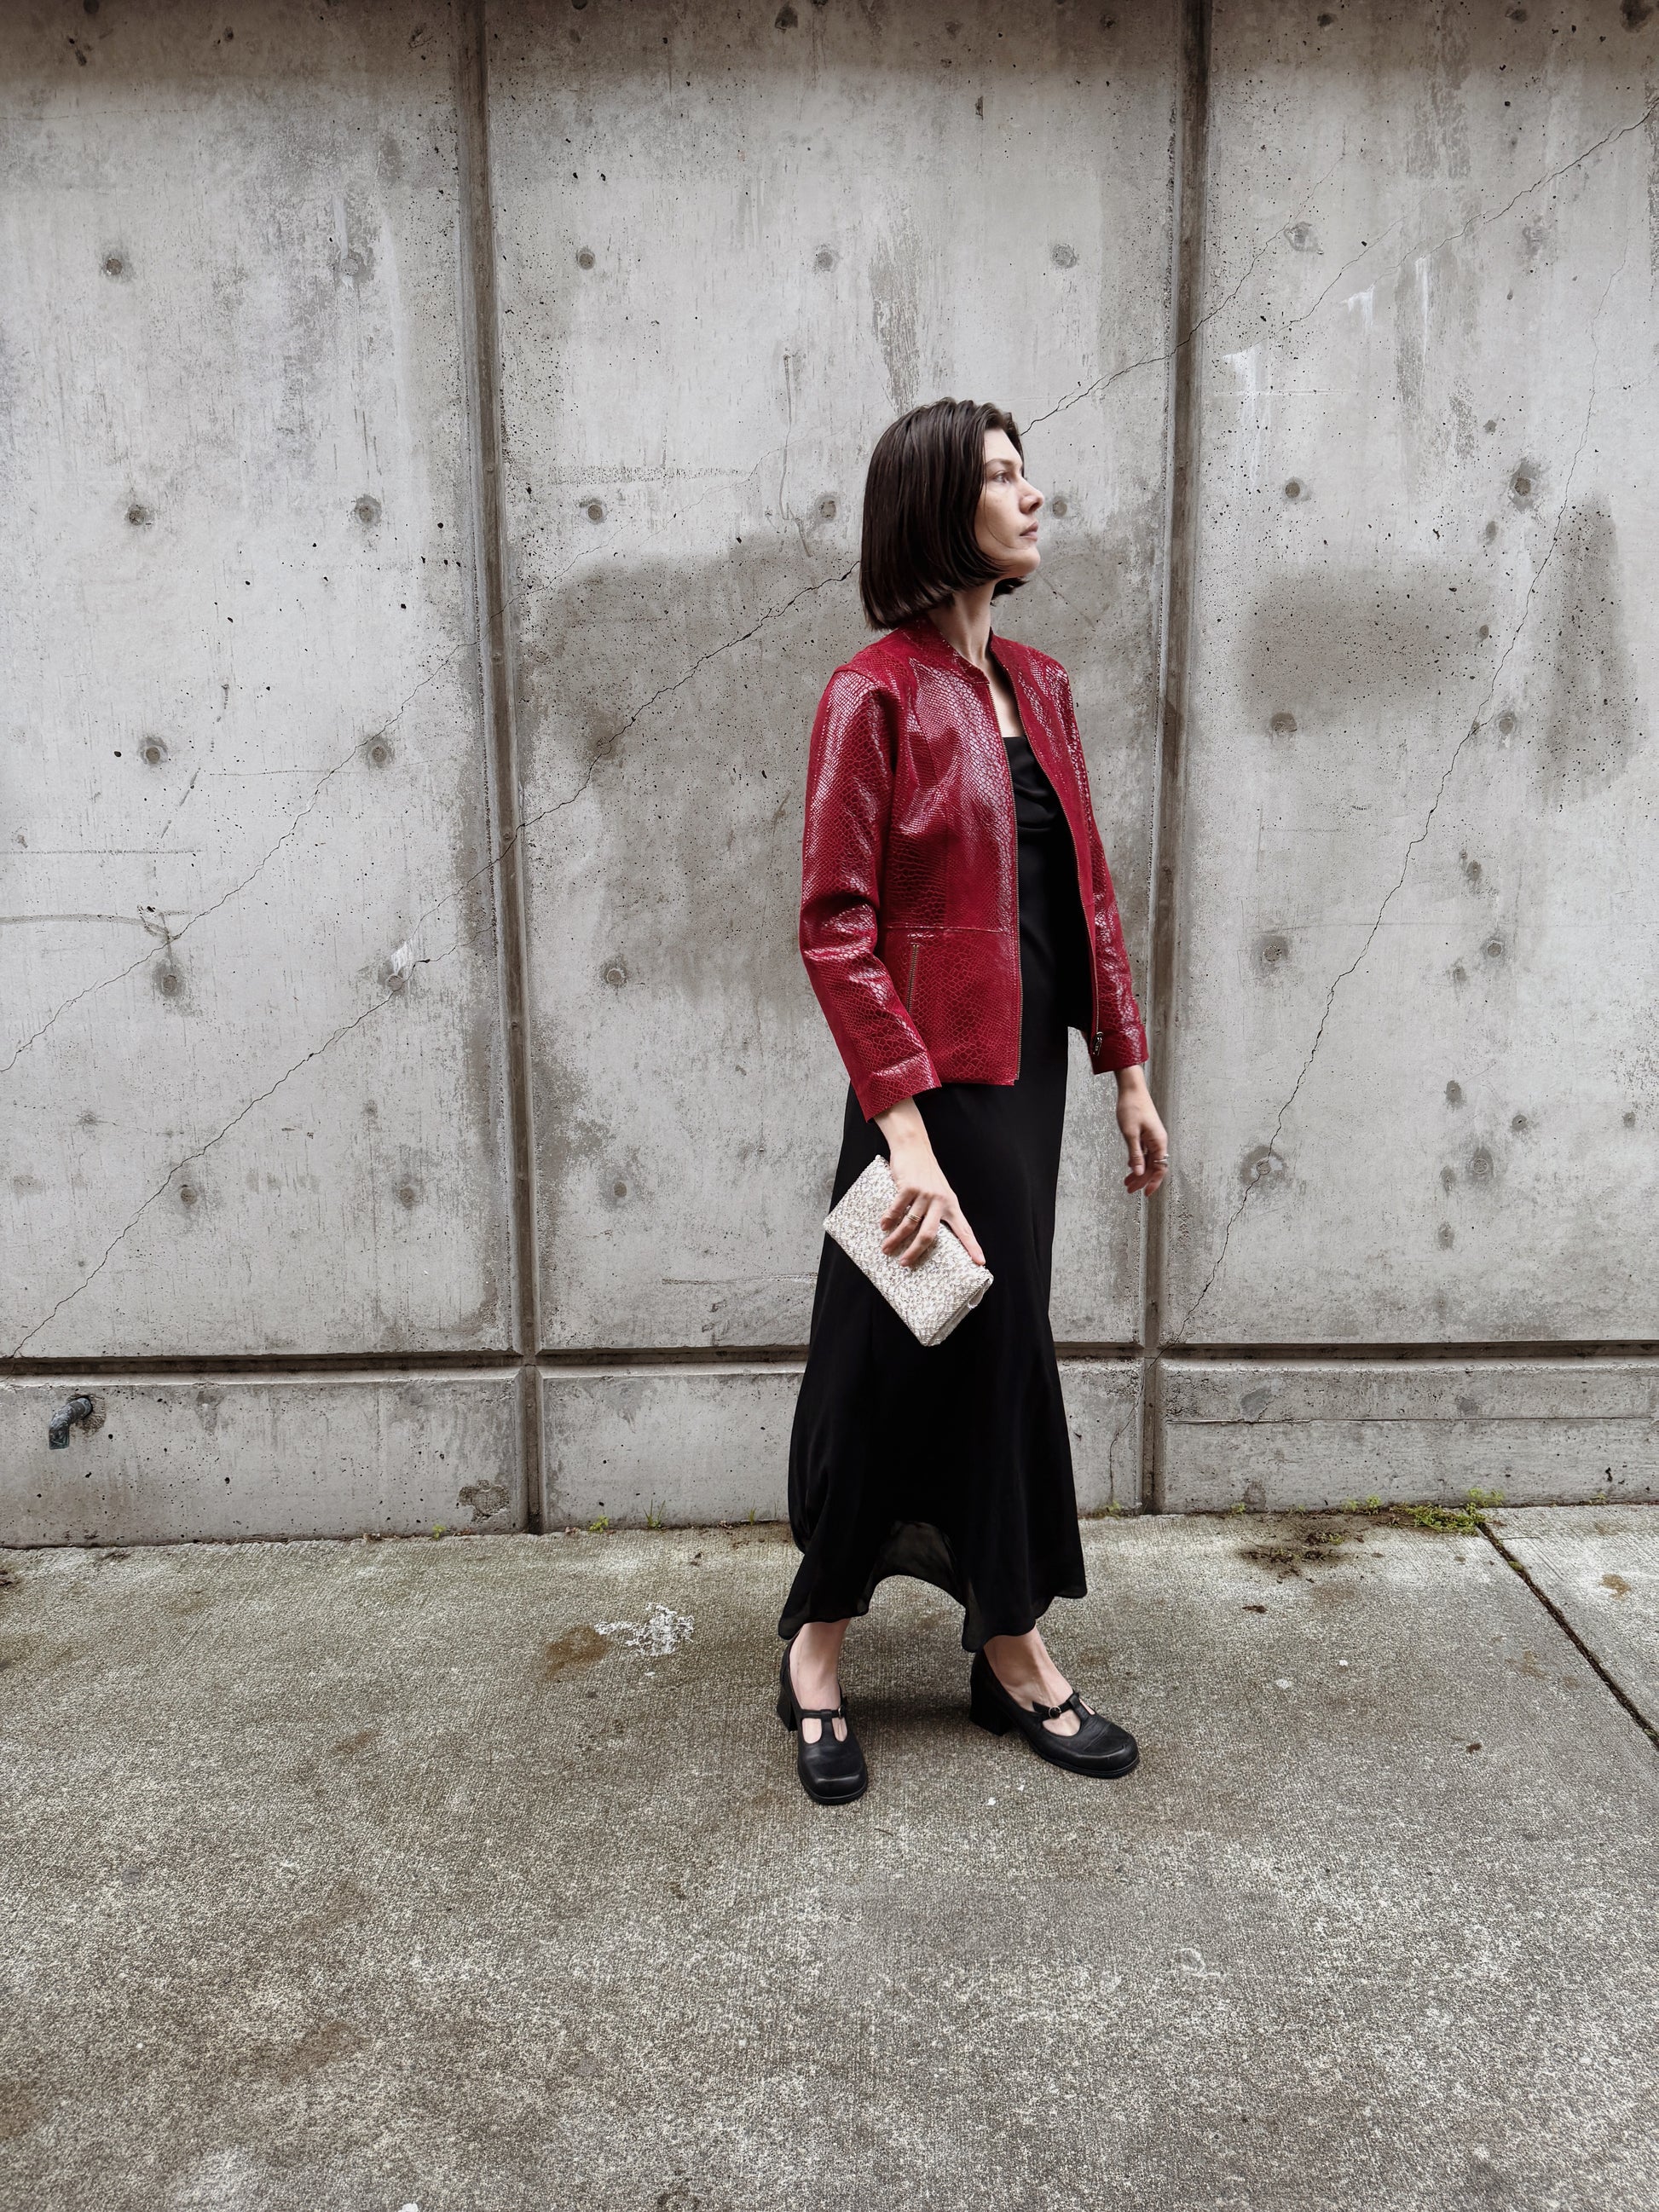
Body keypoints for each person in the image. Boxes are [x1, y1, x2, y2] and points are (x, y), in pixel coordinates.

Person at [775, 397, 1171, 1806]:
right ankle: (816, 1652)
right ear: (941, 510)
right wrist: (899, 1129)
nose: (1031, 496)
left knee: (999, 1349)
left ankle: (1006, 1643)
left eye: (1027, 470)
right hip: (919, 1095)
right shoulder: (870, 693)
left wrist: (1124, 1064)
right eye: (1001, 477)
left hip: (1022, 1085)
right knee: (889, 1354)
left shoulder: (1042, 688)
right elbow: (834, 924)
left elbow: (1089, 900)